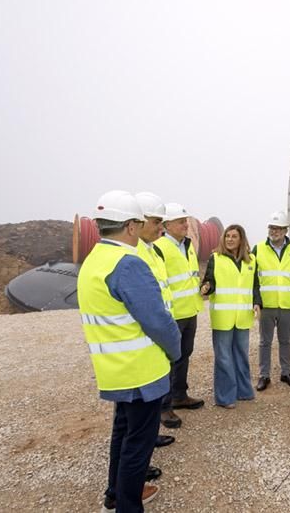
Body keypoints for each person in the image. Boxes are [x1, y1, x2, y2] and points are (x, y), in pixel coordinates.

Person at [77, 190, 181, 512]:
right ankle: (127, 504)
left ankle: (115, 491)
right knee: (138, 444)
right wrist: (175, 350)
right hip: (141, 372)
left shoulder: (93, 260)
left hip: (114, 370)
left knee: (122, 433)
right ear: (131, 226)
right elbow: (158, 322)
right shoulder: (127, 264)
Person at [153, 203, 206, 429]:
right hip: (172, 314)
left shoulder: (188, 245)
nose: (186, 225)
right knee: (169, 361)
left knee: (185, 355)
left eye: (186, 221)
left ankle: (180, 395)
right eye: (181, 221)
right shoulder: (159, 248)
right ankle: (164, 407)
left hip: (190, 310)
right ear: (167, 225)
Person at [134, 192, 178, 454]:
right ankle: (140, 455)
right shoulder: (134, 256)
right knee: (138, 407)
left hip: (157, 336)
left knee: (150, 399)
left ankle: (151, 435)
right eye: (156, 222)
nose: (160, 227)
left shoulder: (152, 250)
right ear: (136, 222)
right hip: (145, 339)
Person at [200, 224, 260, 408]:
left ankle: (244, 391)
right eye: (227, 236)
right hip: (223, 316)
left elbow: (255, 285)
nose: (230, 239)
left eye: (234, 236)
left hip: (242, 316)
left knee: (241, 354)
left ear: (241, 239)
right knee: (224, 357)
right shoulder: (215, 258)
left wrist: (257, 302)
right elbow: (209, 280)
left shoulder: (251, 260)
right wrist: (207, 287)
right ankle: (225, 397)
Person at [253, 211, 290, 391]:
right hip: (267, 305)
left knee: (285, 340)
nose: (274, 231)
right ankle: (264, 375)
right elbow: (253, 278)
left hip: (286, 304)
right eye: (272, 228)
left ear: (285, 230)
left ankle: (286, 373)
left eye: (278, 228)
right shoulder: (258, 249)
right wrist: (256, 300)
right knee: (265, 342)